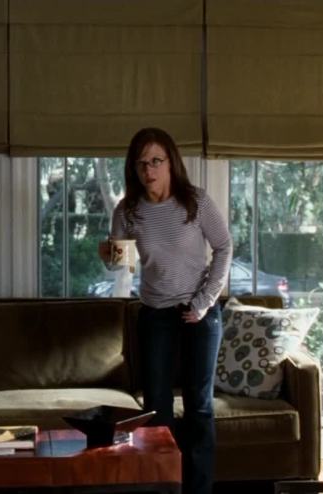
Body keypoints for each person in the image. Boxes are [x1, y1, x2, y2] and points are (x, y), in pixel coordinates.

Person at [99, 128, 232, 494]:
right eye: (141, 163)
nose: (149, 170)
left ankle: (198, 490)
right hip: (156, 315)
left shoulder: (195, 202)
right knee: (156, 408)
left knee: (199, 407)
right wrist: (108, 254)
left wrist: (204, 301)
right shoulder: (127, 210)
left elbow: (224, 247)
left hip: (198, 314)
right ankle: (164, 487)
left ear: (171, 162)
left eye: (156, 161)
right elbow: (121, 265)